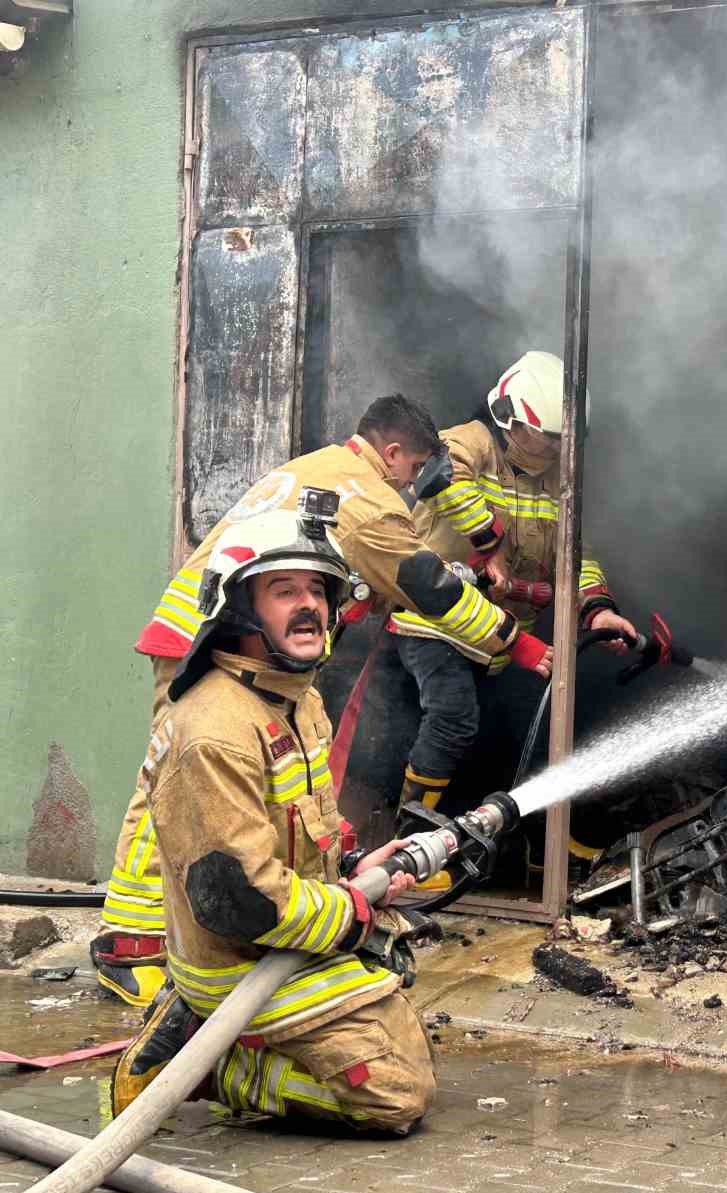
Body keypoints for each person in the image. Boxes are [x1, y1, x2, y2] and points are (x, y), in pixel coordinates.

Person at [93, 395, 551, 1007]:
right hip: (214, 643)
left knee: (244, 780)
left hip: (220, 635)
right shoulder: (368, 498)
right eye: (414, 470)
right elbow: (430, 589)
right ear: (391, 453)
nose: (414, 486)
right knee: (172, 785)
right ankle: (130, 944)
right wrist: (517, 645)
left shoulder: (322, 468)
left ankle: (227, 923)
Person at [111, 505, 436, 1132]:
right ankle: (207, 1064)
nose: (309, 605)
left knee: (409, 1038)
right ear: (237, 609)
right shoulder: (215, 731)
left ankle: (216, 1032)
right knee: (394, 1097)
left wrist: (349, 866)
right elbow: (241, 903)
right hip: (236, 959)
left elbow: (305, 825)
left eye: (318, 588)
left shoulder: (297, 698)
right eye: (284, 591)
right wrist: (351, 914)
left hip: (286, 939)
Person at [386, 351, 636, 823]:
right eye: (549, 437)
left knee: (532, 731)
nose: (560, 449)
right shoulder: (472, 441)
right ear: (508, 419)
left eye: (568, 439)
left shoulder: (561, 480)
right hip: (435, 624)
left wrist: (597, 610)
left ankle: (524, 848)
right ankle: (408, 836)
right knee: (453, 718)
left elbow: (575, 558)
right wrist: (489, 541)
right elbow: (437, 475)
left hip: (504, 638)